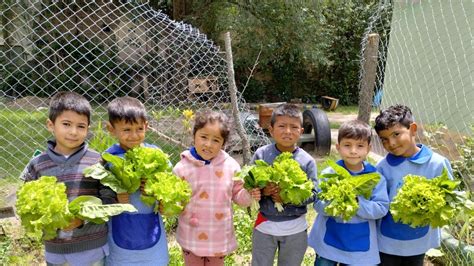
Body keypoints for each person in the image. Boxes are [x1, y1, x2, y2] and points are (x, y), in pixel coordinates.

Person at [21, 91, 114, 266]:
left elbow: (109, 198)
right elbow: (26, 204)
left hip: (92, 249)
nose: (73, 132)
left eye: (81, 126)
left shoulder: (97, 161)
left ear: (88, 128)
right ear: (50, 124)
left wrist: (82, 219)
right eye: (66, 124)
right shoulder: (38, 164)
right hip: (56, 251)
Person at [173, 110, 261, 266]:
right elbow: (174, 200)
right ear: (194, 136)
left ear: (223, 144)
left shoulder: (230, 166)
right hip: (191, 234)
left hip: (218, 235)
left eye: (216, 140)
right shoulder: (182, 168)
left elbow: (238, 196)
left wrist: (249, 194)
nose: (208, 144)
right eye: (203, 137)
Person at [374, 104, 453, 266]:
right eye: (384, 139)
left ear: (413, 129)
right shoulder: (382, 167)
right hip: (387, 240)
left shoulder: (437, 164)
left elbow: (449, 200)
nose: (392, 143)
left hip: (419, 240)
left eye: (396, 134)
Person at [308, 120, 389, 265]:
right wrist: (335, 202)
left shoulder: (375, 178)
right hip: (329, 238)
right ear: (338, 147)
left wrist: (357, 202)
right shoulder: (329, 173)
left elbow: (381, 208)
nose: (353, 151)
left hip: (359, 243)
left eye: (360, 146)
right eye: (347, 145)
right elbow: (318, 204)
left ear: (368, 149)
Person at [104, 96, 169, 265]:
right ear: (111, 129)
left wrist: (157, 191)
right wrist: (114, 197)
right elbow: (98, 192)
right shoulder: (107, 158)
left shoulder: (155, 155)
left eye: (139, 128)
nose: (134, 136)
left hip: (150, 226)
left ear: (146, 126)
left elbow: (170, 183)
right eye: (126, 130)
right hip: (119, 229)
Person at [250, 103, 317, 266]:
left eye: (294, 127)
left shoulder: (307, 161)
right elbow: (250, 183)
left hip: (295, 227)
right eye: (282, 126)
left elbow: (314, 193)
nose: (288, 131)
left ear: (301, 132)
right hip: (265, 225)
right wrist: (263, 191)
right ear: (271, 130)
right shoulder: (262, 154)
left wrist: (288, 197)